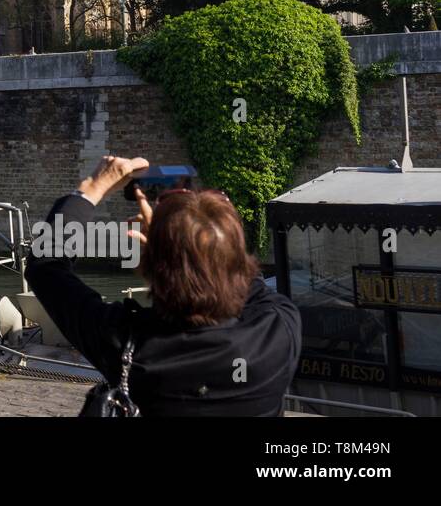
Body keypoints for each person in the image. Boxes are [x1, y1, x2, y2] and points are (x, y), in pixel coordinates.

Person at [24, 155, 302, 416]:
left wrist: (91, 189)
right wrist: (205, 229)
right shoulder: (279, 329)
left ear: (147, 266)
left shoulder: (126, 344)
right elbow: (243, 276)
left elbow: (46, 266)